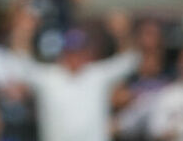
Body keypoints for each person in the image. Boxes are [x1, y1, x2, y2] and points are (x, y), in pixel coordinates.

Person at [9, 14, 139, 141]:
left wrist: (123, 33)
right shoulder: (48, 76)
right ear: (64, 52)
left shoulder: (97, 74)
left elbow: (130, 60)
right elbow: (21, 63)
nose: (76, 57)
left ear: (87, 52)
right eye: (71, 51)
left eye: (80, 51)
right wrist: (23, 31)